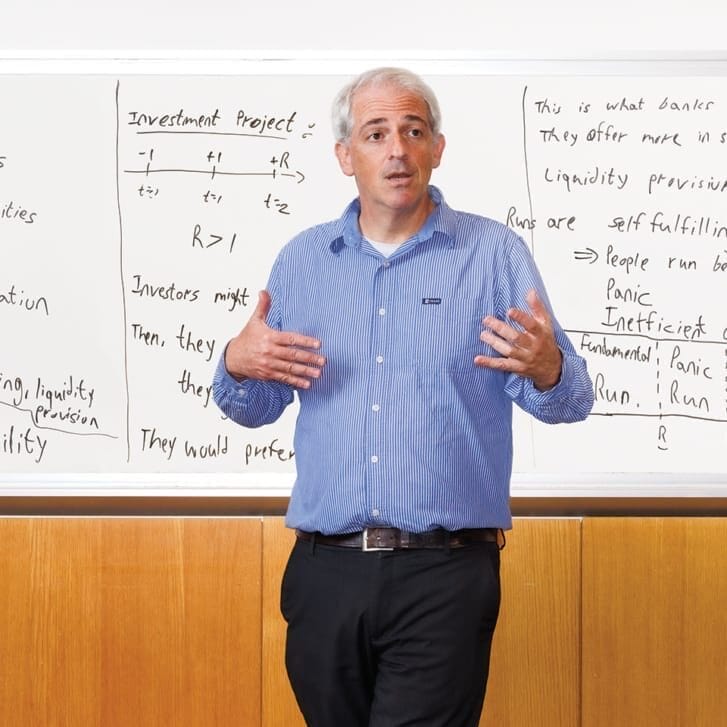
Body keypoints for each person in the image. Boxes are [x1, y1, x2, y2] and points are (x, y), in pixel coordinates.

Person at [213, 67, 594, 727]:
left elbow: (570, 399)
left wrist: (547, 365)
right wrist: (235, 363)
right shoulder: (302, 262)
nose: (397, 149)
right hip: (323, 573)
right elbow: (253, 408)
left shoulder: (492, 255)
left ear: (436, 148)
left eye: (413, 131)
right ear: (344, 155)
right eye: (376, 133)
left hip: (442, 575)